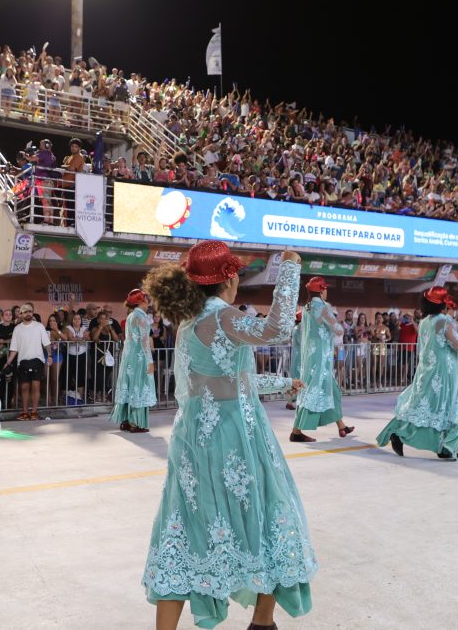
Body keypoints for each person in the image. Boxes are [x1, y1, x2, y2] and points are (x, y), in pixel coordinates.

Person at [140, 242, 314, 630]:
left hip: (193, 438)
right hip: (236, 437)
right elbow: (277, 328)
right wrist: (289, 269)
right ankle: (263, 621)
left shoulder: (188, 322)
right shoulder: (221, 316)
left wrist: (280, 384)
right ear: (231, 278)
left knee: (183, 528)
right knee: (271, 516)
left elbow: (221, 383)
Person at [376, 286, 458, 461]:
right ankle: (447, 446)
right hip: (446, 371)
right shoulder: (445, 321)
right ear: (444, 304)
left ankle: (437, 444)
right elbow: (457, 344)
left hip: (427, 370)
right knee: (455, 407)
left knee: (428, 407)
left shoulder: (424, 322)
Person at [291, 277, 355, 442]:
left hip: (311, 357)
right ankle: (296, 431)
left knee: (331, 391)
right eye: (325, 289)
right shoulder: (322, 307)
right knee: (311, 390)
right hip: (320, 358)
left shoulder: (306, 308)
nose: (326, 292)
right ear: (321, 290)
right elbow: (339, 330)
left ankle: (341, 426)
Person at [110, 289, 156, 433]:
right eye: (146, 300)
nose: (148, 302)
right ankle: (136, 423)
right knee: (139, 386)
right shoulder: (142, 317)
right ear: (141, 301)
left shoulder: (130, 316)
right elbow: (144, 342)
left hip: (129, 356)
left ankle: (126, 421)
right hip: (139, 357)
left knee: (129, 386)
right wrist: (150, 361)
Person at [4, 303, 51, 420]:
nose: (28, 313)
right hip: (23, 361)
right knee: (24, 388)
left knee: (36, 386)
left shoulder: (39, 326)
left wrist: (50, 355)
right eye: (25, 312)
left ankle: (34, 411)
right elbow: (14, 349)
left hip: (37, 360)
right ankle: (25, 412)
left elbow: (47, 343)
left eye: (30, 311)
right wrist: (8, 362)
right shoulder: (17, 329)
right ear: (21, 314)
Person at [286, 309, 302, 411]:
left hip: (297, 355)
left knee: (295, 378)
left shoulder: (296, 327)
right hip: (300, 356)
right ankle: (291, 401)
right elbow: (302, 342)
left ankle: (290, 401)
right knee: (298, 378)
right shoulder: (300, 328)